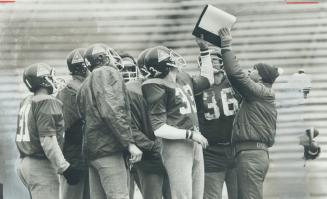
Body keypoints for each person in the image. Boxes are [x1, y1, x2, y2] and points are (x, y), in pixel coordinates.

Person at [141, 41, 214, 199]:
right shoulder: (154, 85)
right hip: (176, 145)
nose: (175, 59)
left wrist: (204, 50)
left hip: (194, 141)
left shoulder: (182, 77)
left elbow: (209, 80)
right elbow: (159, 128)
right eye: (170, 56)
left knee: (196, 195)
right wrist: (190, 134)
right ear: (165, 65)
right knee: (182, 195)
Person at [218, 27, 280, 199]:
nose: (249, 71)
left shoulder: (260, 92)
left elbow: (236, 75)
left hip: (251, 155)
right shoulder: (260, 94)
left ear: (260, 77)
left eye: (253, 69)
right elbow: (235, 78)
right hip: (253, 154)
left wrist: (226, 46)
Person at [76, 43, 142, 199]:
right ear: (102, 57)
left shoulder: (85, 83)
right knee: (119, 196)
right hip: (108, 149)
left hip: (93, 151)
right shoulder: (107, 73)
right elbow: (112, 110)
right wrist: (129, 143)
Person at [16, 63, 79, 199]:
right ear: (43, 80)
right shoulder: (47, 101)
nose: (54, 80)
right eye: (51, 77)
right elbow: (48, 140)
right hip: (40, 165)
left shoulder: (27, 100)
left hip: (25, 163)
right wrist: (64, 167)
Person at [120, 51, 171, 199]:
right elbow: (125, 126)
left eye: (130, 69)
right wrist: (153, 146)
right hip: (135, 153)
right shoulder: (131, 91)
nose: (126, 73)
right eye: (122, 69)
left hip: (150, 152)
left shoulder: (149, 87)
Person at [195, 47, 238, 199]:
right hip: (211, 151)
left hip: (236, 148)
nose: (212, 63)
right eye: (209, 60)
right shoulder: (197, 87)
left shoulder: (236, 82)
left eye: (215, 59)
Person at [56, 48, 90, 199]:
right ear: (85, 67)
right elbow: (68, 130)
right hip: (75, 160)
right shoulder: (69, 93)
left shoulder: (80, 90)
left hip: (84, 159)